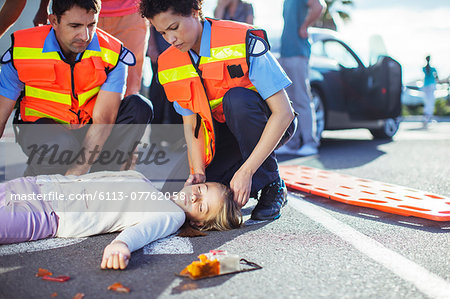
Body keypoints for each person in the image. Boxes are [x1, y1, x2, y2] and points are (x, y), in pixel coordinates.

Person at [140, 0, 297, 221]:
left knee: (237, 99)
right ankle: (241, 174)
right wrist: (198, 171)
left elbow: (284, 113)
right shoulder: (169, 63)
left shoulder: (242, 39)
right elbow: (192, 124)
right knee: (175, 197)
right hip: (221, 136)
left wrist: (247, 171)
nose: (170, 40)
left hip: (267, 123)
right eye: (162, 32)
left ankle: (272, 184)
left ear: (195, 12)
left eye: (174, 28)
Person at [0, 0, 153, 176]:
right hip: (43, 132)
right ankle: (38, 175)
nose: (85, 36)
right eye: (75, 26)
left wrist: (76, 173)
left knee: (139, 107)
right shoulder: (23, 50)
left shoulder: (112, 53)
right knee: (61, 147)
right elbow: (1, 114)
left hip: (88, 127)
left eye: (92, 25)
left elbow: (104, 119)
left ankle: (102, 180)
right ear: (54, 21)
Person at [0, 170, 242, 270]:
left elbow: (145, 231)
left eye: (202, 205)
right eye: (202, 189)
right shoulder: (143, 179)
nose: (195, 196)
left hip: (48, 215)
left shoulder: (173, 215)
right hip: (36, 185)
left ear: (199, 223)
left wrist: (121, 244)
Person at [276, 0, 324, 157]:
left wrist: (305, 26)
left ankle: (310, 142)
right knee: (289, 100)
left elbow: (319, 6)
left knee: (302, 98)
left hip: (298, 52)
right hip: (286, 53)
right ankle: (292, 143)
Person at [422, 55, 439, 127]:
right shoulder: (432, 69)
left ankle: (427, 116)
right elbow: (437, 77)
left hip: (426, 85)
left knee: (427, 101)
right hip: (431, 85)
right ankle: (428, 116)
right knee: (430, 101)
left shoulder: (424, 68)